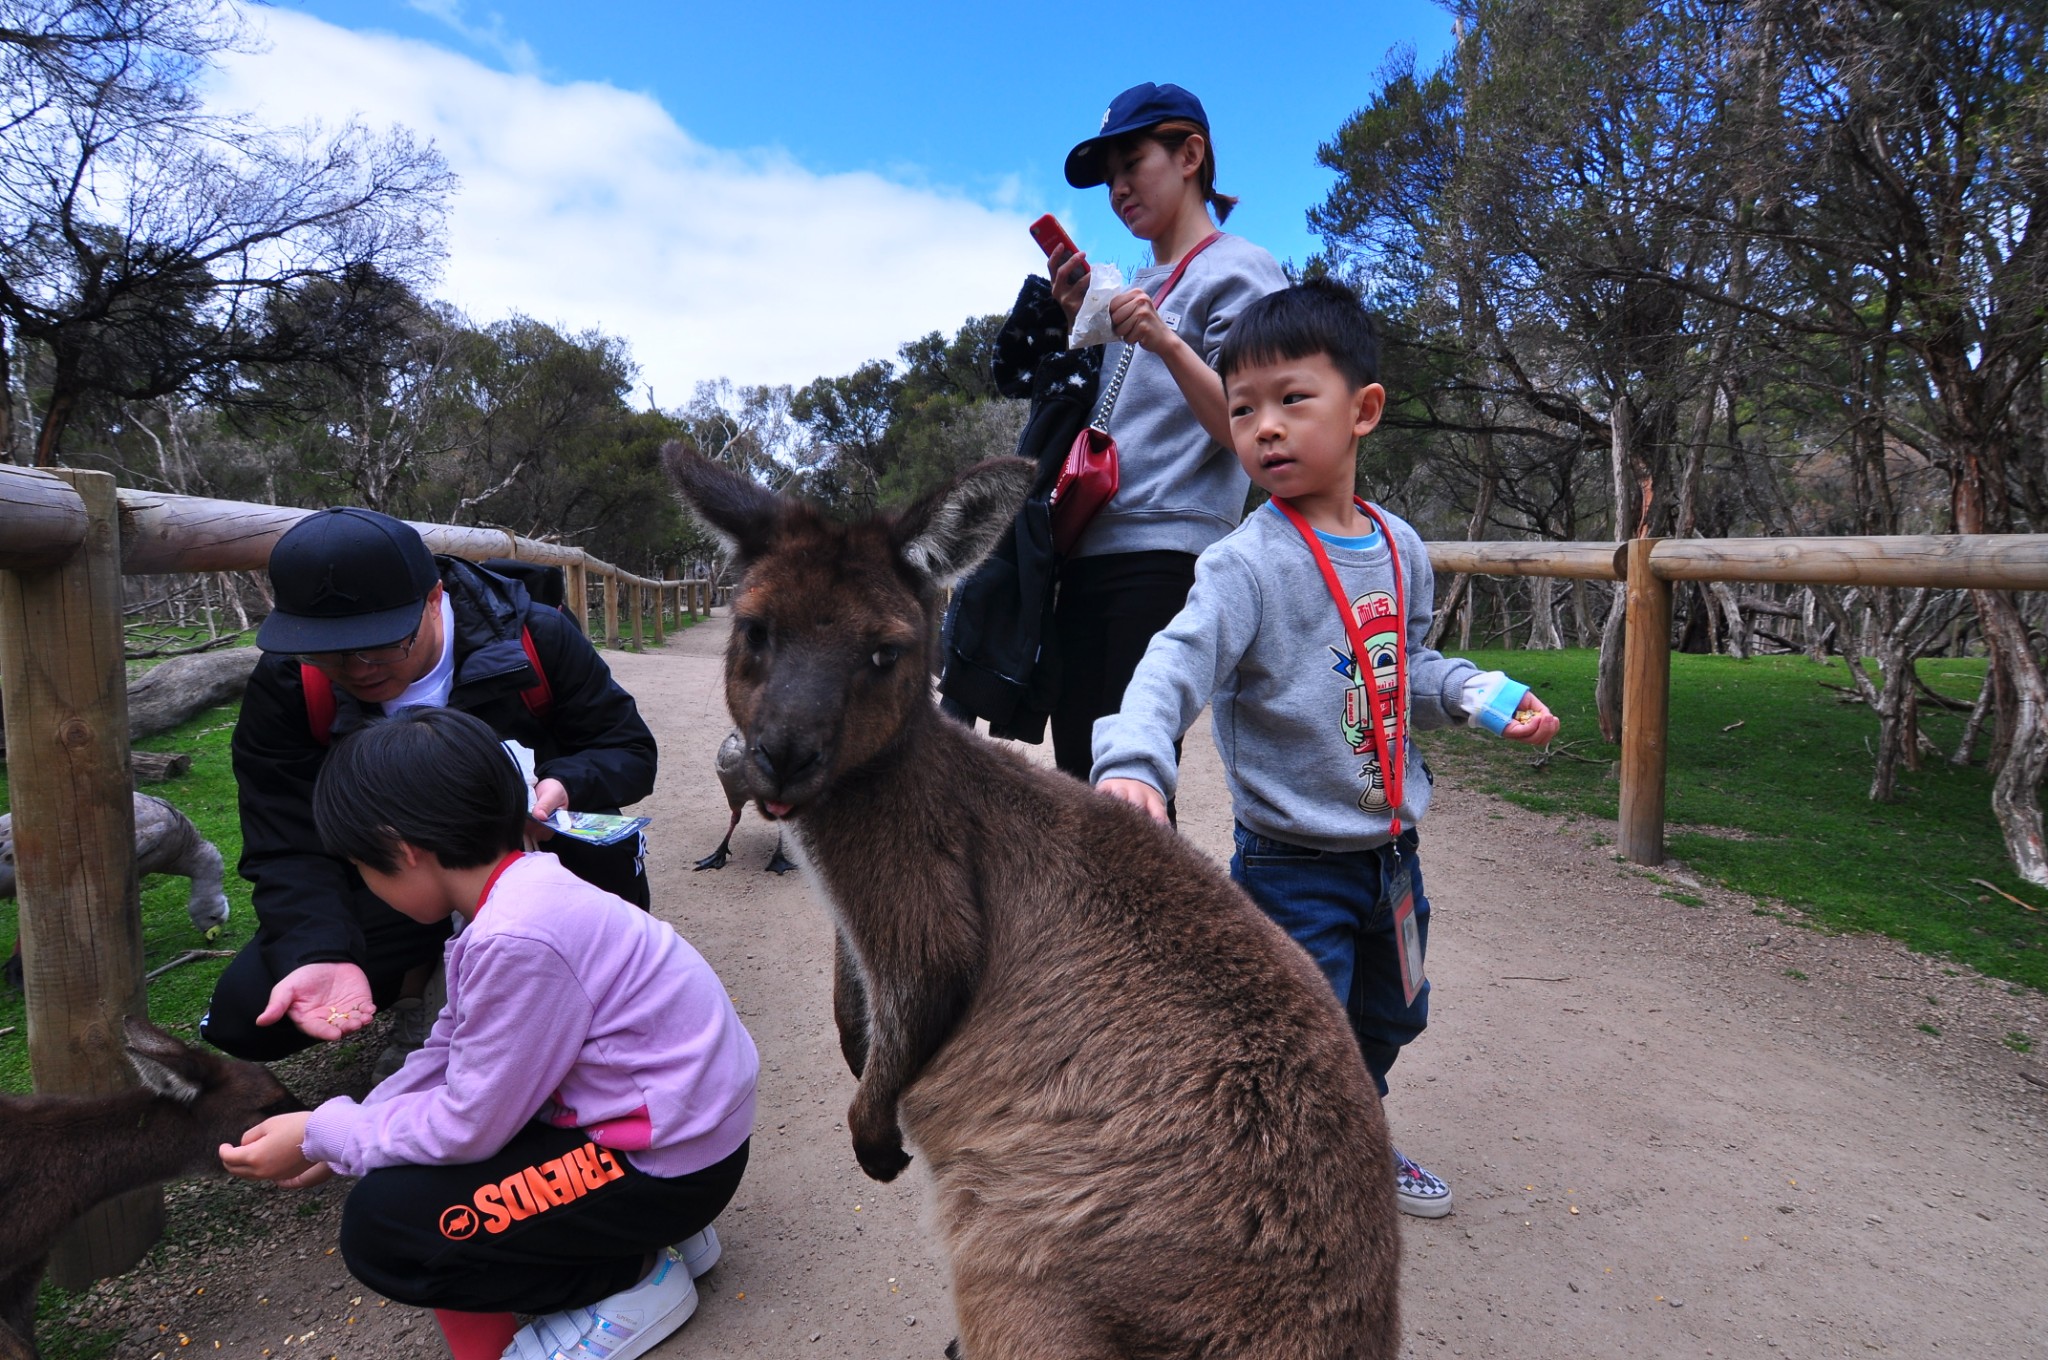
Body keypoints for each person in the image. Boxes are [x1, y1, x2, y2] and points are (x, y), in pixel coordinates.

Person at [1091, 280, 1561, 1219]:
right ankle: (1295, 1176)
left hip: (1391, 856)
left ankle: (1357, 1127)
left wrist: (1473, 693)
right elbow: (1170, 665)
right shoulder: (1243, 565)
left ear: (1364, 412)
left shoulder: (1401, 549)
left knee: (1392, 1016)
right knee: (1298, 1040)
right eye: (1242, 410)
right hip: (1290, 864)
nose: (1264, 428)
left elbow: (1405, 665)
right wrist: (1134, 759)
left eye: (1291, 400)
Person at [221, 707, 756, 1360]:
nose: (365, 886)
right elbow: (451, 1051)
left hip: (669, 1164)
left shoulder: (516, 937)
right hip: (679, 1133)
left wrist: (319, 1131)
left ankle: (633, 1280)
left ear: (406, 850)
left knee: (387, 1228)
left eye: (362, 867)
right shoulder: (521, 896)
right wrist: (348, 1130)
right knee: (402, 1167)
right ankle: (639, 1234)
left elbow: (468, 1121)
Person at [200, 508, 659, 1074]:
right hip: (394, 876)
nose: (358, 669)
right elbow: (286, 839)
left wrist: (564, 784)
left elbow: (630, 751)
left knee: (606, 890)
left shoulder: (533, 636)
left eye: (382, 643)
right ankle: (424, 990)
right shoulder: (291, 682)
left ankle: (556, 1005)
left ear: (434, 598)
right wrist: (318, 951)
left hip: (530, 855)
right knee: (244, 1017)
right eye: (329, 650)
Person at [1041, 81, 1288, 784]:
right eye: (1109, 177)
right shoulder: (1134, 282)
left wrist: (1163, 338)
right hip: (1088, 547)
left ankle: (1149, 900)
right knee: (1077, 780)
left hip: (1165, 555)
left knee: (1129, 778)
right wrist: (1078, 325)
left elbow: (1253, 429)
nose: (1118, 187)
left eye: (1132, 162)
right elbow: (1121, 418)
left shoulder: (1241, 270)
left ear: (1190, 155)